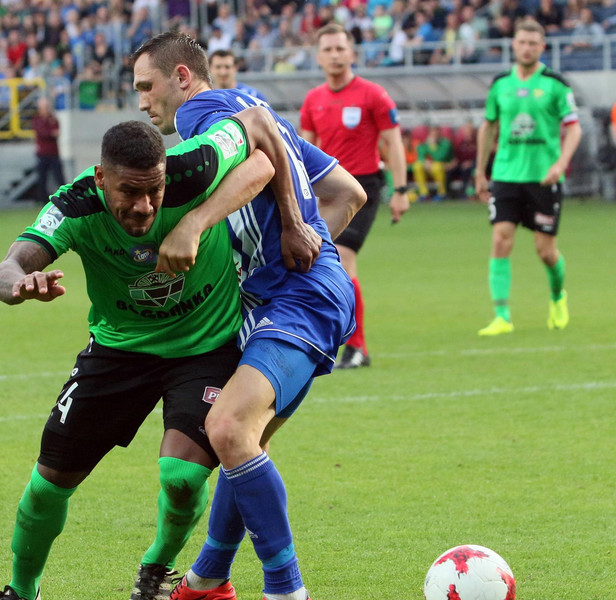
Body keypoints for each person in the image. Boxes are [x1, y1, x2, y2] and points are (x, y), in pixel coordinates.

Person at [0, 111, 287, 600]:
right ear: (102, 179)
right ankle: (22, 591)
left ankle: (155, 569)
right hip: (118, 352)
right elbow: (6, 267)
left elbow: (257, 129)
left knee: (183, 476)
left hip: (204, 348)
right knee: (48, 485)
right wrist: (19, 286)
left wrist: (199, 220)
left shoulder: (196, 166)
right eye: (130, 192)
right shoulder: (75, 204)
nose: (145, 207)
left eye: (156, 191)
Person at [132, 31, 365, 600]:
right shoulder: (251, 105)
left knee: (229, 428)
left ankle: (286, 590)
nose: (142, 102)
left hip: (300, 300)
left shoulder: (203, 114)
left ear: (182, 77)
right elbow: (347, 193)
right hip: (296, 295)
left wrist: (264, 225)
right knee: (244, 443)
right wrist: (298, 243)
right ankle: (208, 577)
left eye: (147, 86)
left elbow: (261, 163)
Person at [298, 23, 411, 369]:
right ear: (318, 57)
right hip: (324, 189)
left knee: (343, 259)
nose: (334, 55)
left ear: (351, 53)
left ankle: (358, 347)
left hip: (361, 188)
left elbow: (393, 142)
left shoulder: (373, 95)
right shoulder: (313, 100)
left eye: (340, 48)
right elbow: (304, 150)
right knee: (316, 262)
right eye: (328, 49)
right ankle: (322, 335)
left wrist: (401, 190)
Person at [475, 20, 581, 336]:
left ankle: (558, 296)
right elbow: (489, 126)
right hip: (507, 175)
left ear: (542, 47)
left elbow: (574, 127)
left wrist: (561, 163)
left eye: (533, 43)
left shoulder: (555, 84)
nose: (527, 48)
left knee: (545, 251)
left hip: (543, 179)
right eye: (522, 42)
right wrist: (480, 171)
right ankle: (502, 316)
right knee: (500, 239)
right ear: (513, 44)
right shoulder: (499, 85)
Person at [30, 96, 64, 204]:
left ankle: (64, 198)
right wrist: (50, 133)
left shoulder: (53, 119)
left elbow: (56, 132)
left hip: (53, 153)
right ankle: (42, 200)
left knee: (59, 177)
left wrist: (49, 133)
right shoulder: (37, 120)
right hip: (42, 153)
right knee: (42, 178)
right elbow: (43, 133)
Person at [413, 124, 456, 200]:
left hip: (445, 166)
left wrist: (432, 146)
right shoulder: (425, 143)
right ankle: (424, 193)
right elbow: (420, 156)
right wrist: (425, 162)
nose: (435, 135)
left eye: (437, 133)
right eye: (433, 133)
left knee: (437, 166)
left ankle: (441, 193)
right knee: (417, 166)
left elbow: (440, 157)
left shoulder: (445, 143)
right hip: (428, 168)